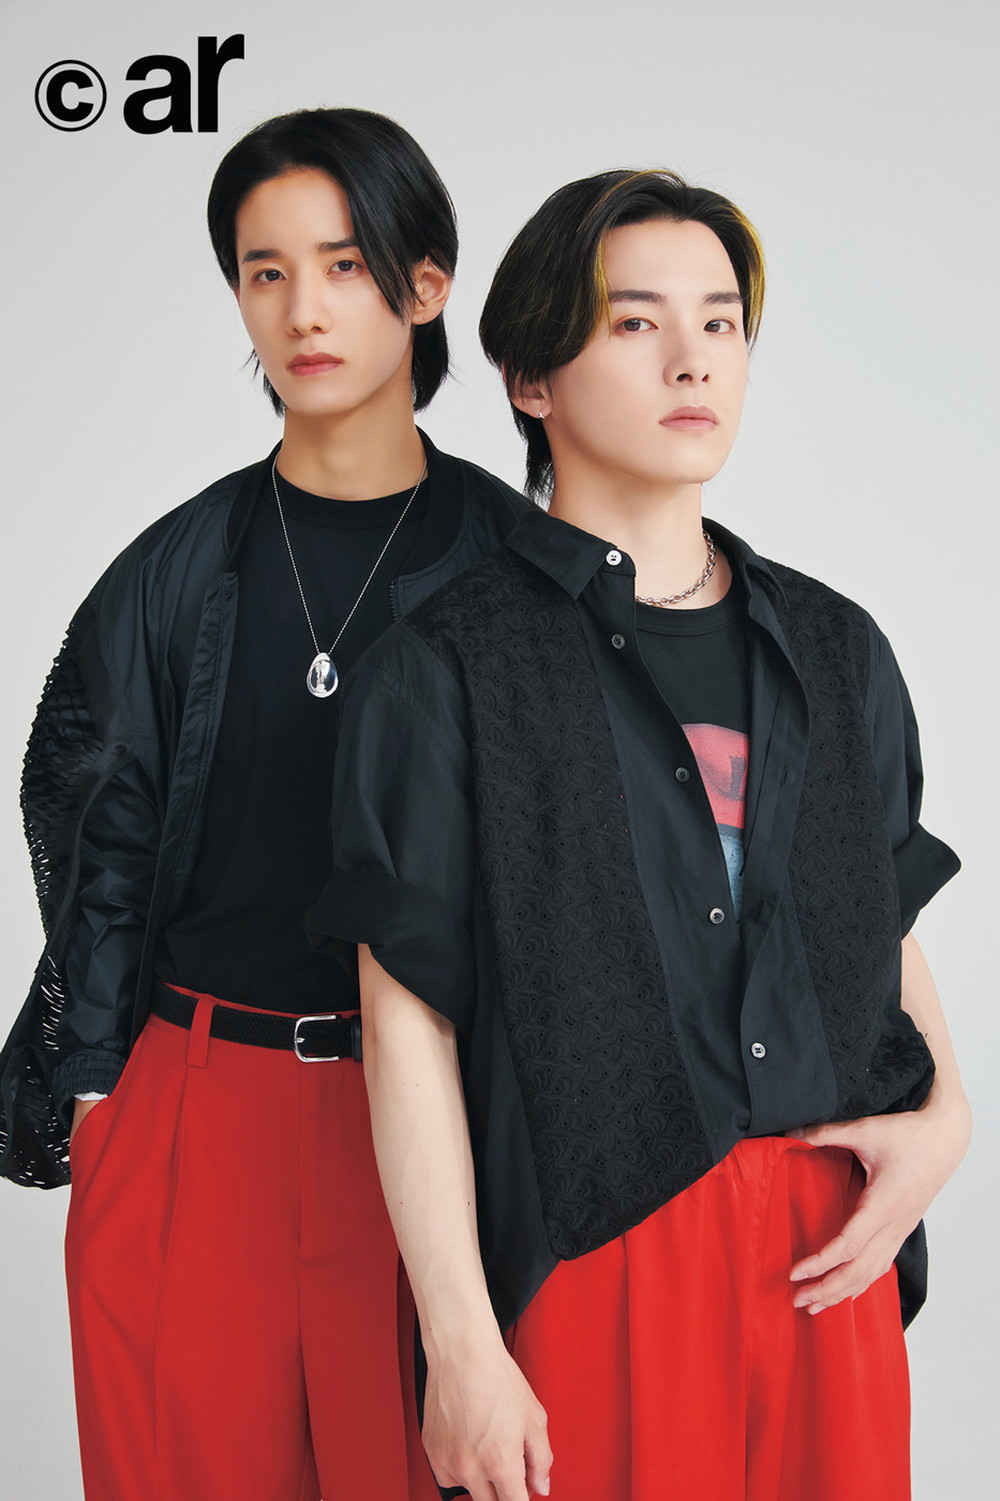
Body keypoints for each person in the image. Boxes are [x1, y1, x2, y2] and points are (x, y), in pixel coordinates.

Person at [308, 169, 971, 1501]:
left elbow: (875, 918)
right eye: (634, 323)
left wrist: (949, 1115)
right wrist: (463, 1344)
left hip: (830, 1243)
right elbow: (408, 1019)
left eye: (721, 322)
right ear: (530, 379)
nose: (692, 359)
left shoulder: (836, 646)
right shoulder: (450, 665)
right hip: (599, 1237)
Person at [0, 107, 527, 1501]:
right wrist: (100, 1092)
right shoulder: (176, 565)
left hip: (435, 1136)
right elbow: (89, 813)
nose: (303, 310)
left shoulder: (517, 566)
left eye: (346, 265)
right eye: (266, 271)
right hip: (196, 1113)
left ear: (426, 285)